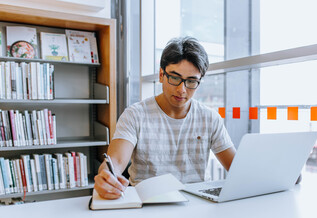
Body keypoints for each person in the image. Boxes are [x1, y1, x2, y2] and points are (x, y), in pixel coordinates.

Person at [94, 36, 236, 199]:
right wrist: (106, 175)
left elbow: (237, 168)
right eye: (175, 78)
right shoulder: (135, 114)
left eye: (191, 81)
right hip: (149, 203)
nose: (182, 90)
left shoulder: (210, 118)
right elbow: (116, 161)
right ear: (161, 74)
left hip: (196, 203)